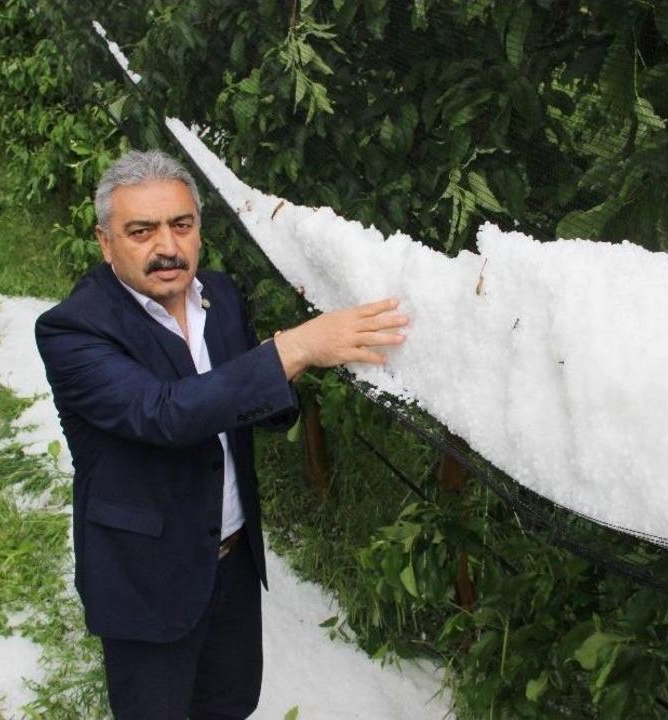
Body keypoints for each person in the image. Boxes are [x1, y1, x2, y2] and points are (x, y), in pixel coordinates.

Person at [35, 149, 407, 720]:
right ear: (105, 242)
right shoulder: (74, 329)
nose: (167, 247)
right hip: (147, 574)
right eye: (142, 231)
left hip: (230, 558)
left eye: (181, 226)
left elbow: (246, 400)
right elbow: (165, 413)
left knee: (230, 702)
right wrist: (294, 348)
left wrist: (286, 365)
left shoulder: (220, 296)